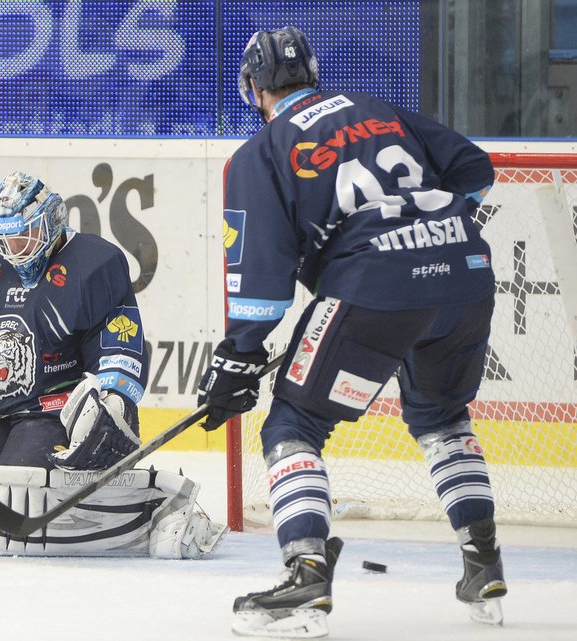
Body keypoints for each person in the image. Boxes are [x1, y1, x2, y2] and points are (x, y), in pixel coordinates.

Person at [196, 27, 506, 637]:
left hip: (375, 287)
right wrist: (424, 232)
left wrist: (237, 357)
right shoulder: (379, 110)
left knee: (294, 422)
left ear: (253, 90)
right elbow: (477, 171)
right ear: (312, 73)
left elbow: (260, 283)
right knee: (442, 417)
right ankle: (484, 566)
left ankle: (306, 577)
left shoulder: (261, 151)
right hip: (466, 275)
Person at [0, 171, 221, 558]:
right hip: (3, 415)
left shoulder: (94, 263)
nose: (12, 249)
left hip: (62, 416)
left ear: (52, 221)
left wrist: (113, 405)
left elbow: (118, 346)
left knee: (17, 494)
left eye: (22, 236)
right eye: (2, 238)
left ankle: (160, 511)